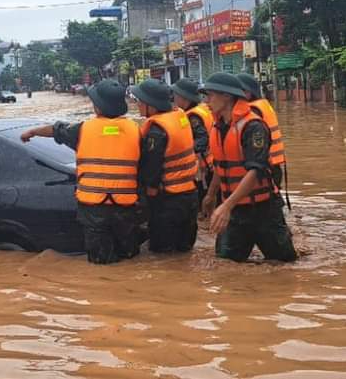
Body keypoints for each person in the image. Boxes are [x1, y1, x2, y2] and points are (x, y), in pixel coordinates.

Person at [20, 79, 142, 264]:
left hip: (94, 210)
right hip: (125, 207)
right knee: (130, 257)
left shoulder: (83, 129)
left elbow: (56, 130)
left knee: (101, 264)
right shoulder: (136, 130)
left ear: (98, 107)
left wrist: (32, 132)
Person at [201, 72, 297, 263]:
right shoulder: (219, 126)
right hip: (235, 211)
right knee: (225, 266)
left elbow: (256, 170)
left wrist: (226, 206)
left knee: (284, 265)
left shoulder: (253, 126)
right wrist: (211, 195)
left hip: (263, 209)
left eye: (210, 95)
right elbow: (222, 165)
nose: (206, 101)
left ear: (227, 96)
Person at [130, 78, 199, 253]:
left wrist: (150, 190)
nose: (137, 105)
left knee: (163, 253)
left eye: (139, 101)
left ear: (150, 106)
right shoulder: (180, 117)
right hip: (189, 194)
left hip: (168, 199)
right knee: (184, 249)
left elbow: (152, 166)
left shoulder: (156, 131)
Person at [236, 73, 290, 207]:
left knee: (268, 203)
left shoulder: (252, 110)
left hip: (265, 165)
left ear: (247, 92)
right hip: (272, 163)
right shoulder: (263, 104)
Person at [171, 77, 214, 203]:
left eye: (176, 94)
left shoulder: (193, 116)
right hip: (210, 161)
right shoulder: (202, 108)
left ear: (185, 98)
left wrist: (187, 151)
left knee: (203, 197)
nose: (174, 98)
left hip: (204, 164)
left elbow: (202, 138)